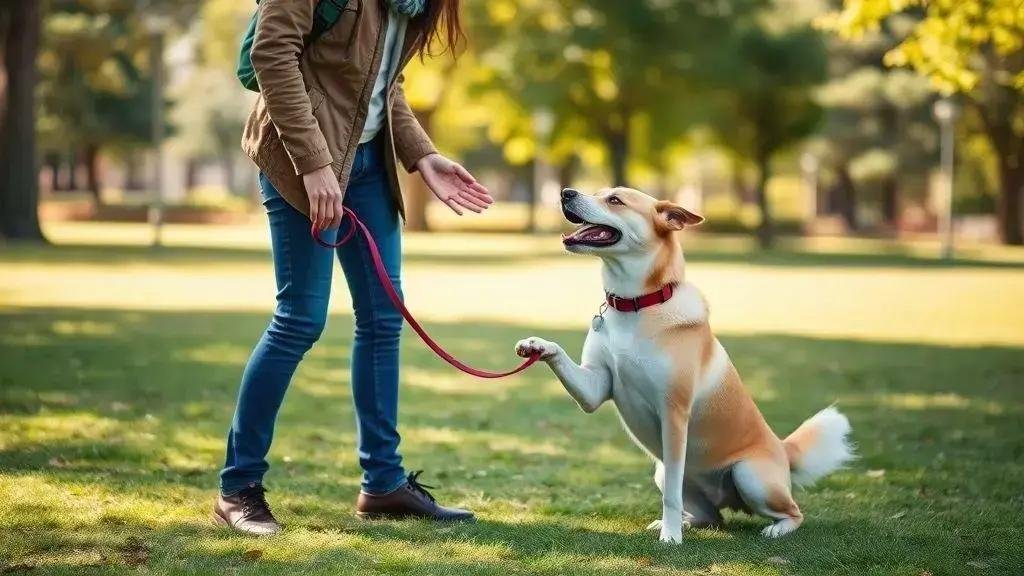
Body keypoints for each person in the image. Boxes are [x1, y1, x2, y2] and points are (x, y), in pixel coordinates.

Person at [213, 0, 493, 535]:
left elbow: (381, 84)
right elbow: (272, 53)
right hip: (299, 161)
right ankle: (238, 488)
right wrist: (315, 164)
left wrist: (422, 154)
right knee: (299, 319)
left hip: (368, 166)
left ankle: (383, 483)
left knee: (384, 320)